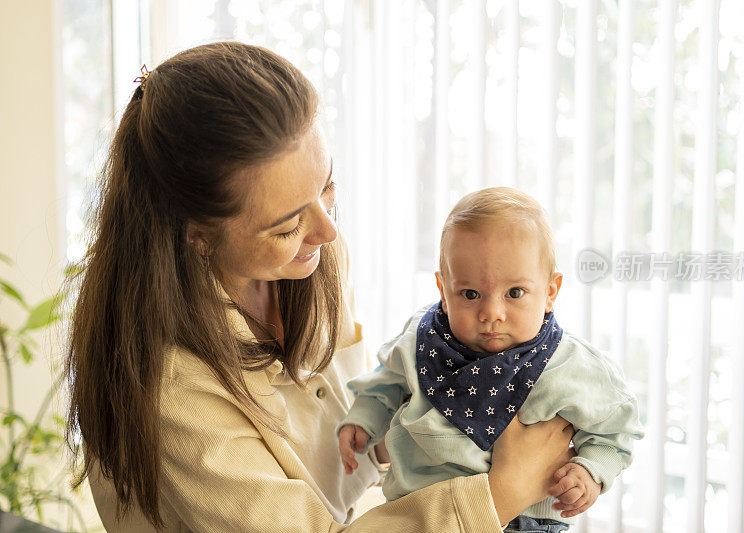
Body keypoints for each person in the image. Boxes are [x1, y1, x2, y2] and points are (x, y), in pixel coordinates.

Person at [65, 42, 575, 532]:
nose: (328, 231)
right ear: (198, 236)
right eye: (286, 227)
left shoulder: (313, 259)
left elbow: (347, 429)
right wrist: (503, 491)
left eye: (327, 187)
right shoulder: (170, 388)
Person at [338, 188, 644, 532]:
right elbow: (387, 380)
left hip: (529, 520)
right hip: (423, 513)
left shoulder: (571, 364)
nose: (491, 313)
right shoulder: (421, 341)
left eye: (515, 293)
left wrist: (590, 470)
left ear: (550, 292)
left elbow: (617, 427)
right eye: (470, 294)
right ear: (443, 290)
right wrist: (364, 417)